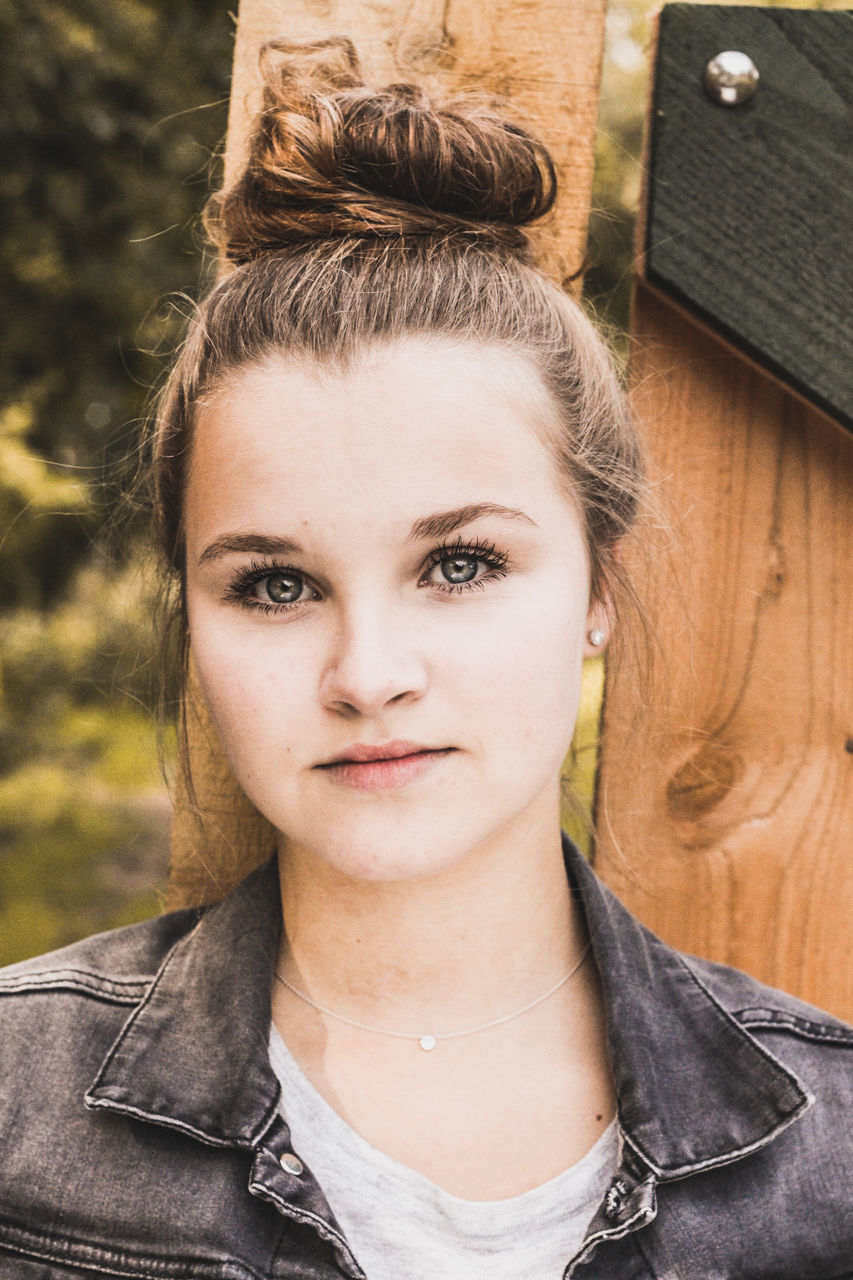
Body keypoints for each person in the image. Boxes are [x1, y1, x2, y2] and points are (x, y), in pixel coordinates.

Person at [0, 35, 850, 1280]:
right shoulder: (18, 1105)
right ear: (194, 613)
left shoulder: (830, 1157)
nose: (368, 670)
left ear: (598, 584)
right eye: (276, 584)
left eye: (459, 564)